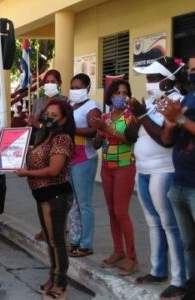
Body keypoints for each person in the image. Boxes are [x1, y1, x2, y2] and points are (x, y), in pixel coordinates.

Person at [128, 57, 187, 300]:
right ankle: (157, 270)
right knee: (153, 222)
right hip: (142, 169)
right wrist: (135, 115)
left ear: (167, 79)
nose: (148, 82)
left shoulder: (176, 101)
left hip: (163, 170)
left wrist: (142, 115)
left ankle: (178, 278)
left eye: (153, 78)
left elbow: (165, 139)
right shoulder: (150, 101)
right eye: (148, 78)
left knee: (170, 226)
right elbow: (131, 135)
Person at [15, 99, 75, 299]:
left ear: (64, 119)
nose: (49, 117)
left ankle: (61, 285)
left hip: (55, 195)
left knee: (57, 241)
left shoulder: (62, 139)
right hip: (44, 196)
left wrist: (27, 174)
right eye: (47, 113)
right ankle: (53, 277)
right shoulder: (46, 136)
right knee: (50, 241)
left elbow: (54, 169)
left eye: (54, 115)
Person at [91, 80, 139, 276]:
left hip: (124, 166)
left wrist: (108, 129)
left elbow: (129, 139)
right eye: (117, 93)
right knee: (112, 211)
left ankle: (132, 257)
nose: (121, 96)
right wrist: (100, 134)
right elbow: (95, 144)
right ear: (110, 96)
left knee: (121, 212)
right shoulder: (105, 116)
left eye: (124, 93)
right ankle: (118, 251)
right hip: (107, 167)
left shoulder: (131, 116)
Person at [157, 55, 195, 300]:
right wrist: (171, 122)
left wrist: (179, 118)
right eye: (192, 69)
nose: (193, 72)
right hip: (179, 181)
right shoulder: (188, 98)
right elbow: (167, 140)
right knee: (189, 243)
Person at [25, 69, 68, 241]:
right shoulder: (38, 101)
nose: (49, 85)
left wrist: (40, 124)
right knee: (40, 190)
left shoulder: (64, 102)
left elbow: (61, 126)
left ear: (59, 83)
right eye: (47, 82)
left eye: (53, 81)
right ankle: (44, 226)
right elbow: (35, 125)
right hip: (39, 145)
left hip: (56, 147)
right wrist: (32, 124)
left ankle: (59, 228)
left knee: (56, 190)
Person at [67, 73, 101, 257]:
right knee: (72, 203)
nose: (75, 90)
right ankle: (75, 239)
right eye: (72, 86)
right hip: (70, 159)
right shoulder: (70, 106)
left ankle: (86, 244)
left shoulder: (92, 106)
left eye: (79, 87)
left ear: (87, 88)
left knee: (84, 203)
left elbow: (94, 130)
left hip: (84, 159)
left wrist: (71, 129)